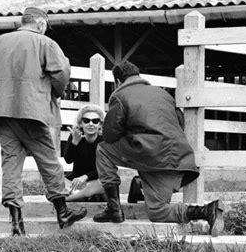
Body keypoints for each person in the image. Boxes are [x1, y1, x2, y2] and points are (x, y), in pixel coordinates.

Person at [0, 6, 87, 236]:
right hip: (31, 111)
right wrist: (52, 93)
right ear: (40, 24)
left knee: (10, 165)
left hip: (2, 113)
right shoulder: (45, 44)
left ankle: (16, 225)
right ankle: (63, 214)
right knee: (48, 160)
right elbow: (61, 72)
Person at [92, 61, 224, 237]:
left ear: (117, 81)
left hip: (152, 157)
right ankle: (207, 211)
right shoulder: (164, 94)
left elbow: (110, 136)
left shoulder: (120, 96)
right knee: (157, 212)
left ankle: (113, 209)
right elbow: (180, 123)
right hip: (178, 159)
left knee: (102, 149)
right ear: (138, 75)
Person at [63, 104, 106, 202]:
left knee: (106, 183)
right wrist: (74, 143)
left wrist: (85, 177)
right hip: (76, 181)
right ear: (81, 123)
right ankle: (84, 194)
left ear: (100, 124)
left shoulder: (104, 141)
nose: (91, 124)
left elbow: (104, 169)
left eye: (95, 121)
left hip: (95, 181)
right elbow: (68, 160)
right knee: (55, 177)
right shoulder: (75, 136)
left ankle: (67, 198)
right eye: (86, 121)